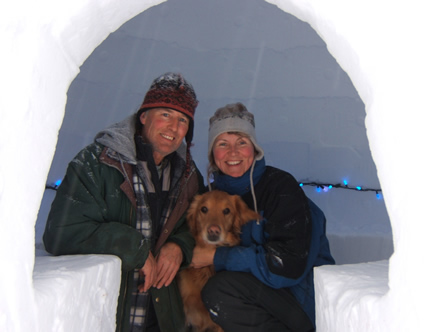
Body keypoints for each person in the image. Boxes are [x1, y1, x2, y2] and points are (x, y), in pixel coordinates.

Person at [43, 72, 204, 332]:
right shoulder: (97, 162)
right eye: (165, 114)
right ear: (143, 116)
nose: (173, 127)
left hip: (164, 316)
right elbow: (61, 232)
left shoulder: (188, 175)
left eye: (182, 120)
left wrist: (179, 245)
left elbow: (196, 227)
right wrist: (134, 247)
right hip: (112, 315)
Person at [191, 102, 335, 332]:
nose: (233, 152)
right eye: (222, 144)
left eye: (241, 142)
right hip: (255, 298)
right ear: (212, 154)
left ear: (255, 149)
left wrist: (219, 257)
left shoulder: (281, 189)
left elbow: (288, 266)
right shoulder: (209, 198)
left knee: (220, 291)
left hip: (300, 300)